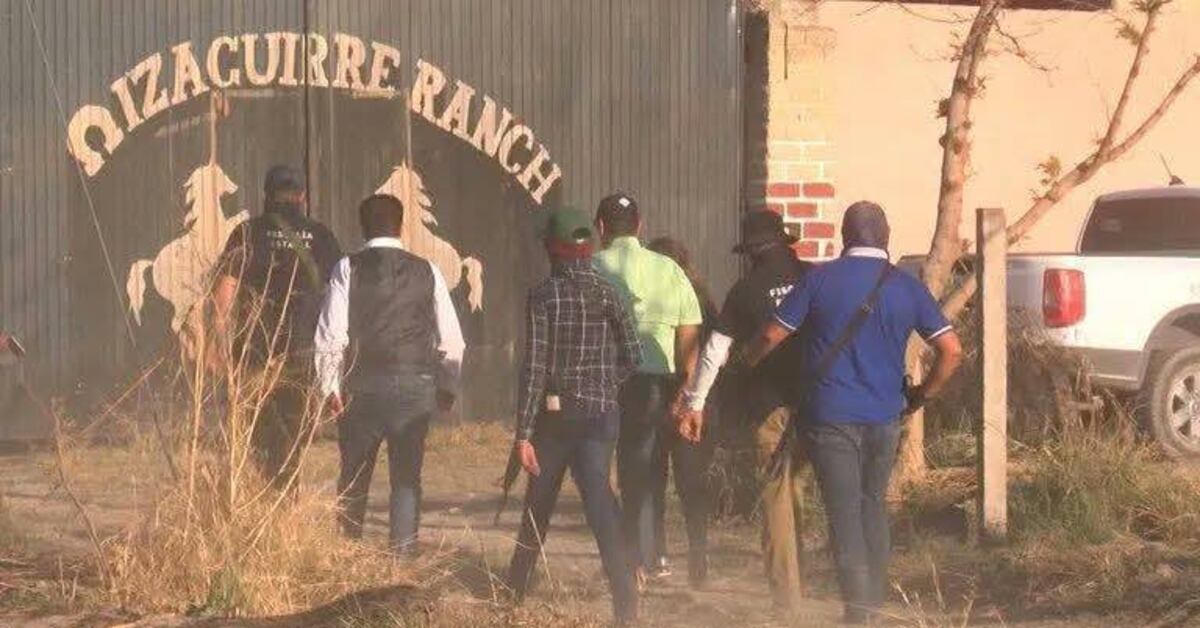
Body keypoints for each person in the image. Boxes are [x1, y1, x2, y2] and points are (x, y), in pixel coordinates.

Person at [741, 201, 964, 624]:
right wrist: (921, 395)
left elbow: (772, 333)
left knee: (844, 512)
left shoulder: (820, 280)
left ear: (845, 236)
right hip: (885, 416)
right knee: (872, 505)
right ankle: (874, 603)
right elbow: (952, 350)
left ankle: (858, 613)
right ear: (886, 236)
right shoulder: (906, 286)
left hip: (830, 416)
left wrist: (747, 361)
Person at [506, 206, 642, 625]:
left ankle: (512, 593)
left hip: (555, 419)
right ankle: (626, 606)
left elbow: (536, 366)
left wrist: (523, 433)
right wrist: (604, 385)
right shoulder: (612, 291)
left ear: (554, 249)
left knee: (539, 505)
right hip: (602, 416)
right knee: (601, 506)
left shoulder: (545, 295)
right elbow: (633, 357)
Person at [673, 209, 814, 611]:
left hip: (769, 407)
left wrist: (694, 403)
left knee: (777, 496)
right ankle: (837, 585)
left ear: (750, 251)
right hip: (818, 402)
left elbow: (714, 353)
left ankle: (787, 599)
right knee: (799, 489)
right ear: (785, 242)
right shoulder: (812, 278)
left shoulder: (745, 290)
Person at [313, 194, 464, 555]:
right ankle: (402, 560)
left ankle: (347, 552)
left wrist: (329, 387)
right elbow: (453, 340)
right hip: (415, 385)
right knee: (407, 478)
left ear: (362, 227)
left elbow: (331, 336)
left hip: (362, 387)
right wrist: (447, 385)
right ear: (402, 224)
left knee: (354, 475)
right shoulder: (428, 270)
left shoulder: (347, 268)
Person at [592, 192, 703, 584]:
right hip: (654, 384)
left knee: (600, 469)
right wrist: (687, 391)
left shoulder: (590, 267)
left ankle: (628, 558)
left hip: (603, 382)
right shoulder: (669, 269)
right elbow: (689, 329)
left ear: (601, 228)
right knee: (647, 470)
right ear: (640, 226)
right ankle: (651, 555)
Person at [213, 164, 342, 494]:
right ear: (302, 197)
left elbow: (223, 295)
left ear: (266, 197)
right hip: (302, 355)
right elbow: (339, 299)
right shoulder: (323, 237)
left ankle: (262, 506)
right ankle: (285, 502)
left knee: (257, 435)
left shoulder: (247, 232)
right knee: (291, 438)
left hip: (254, 353)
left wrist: (217, 344)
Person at [645, 236, 718, 587]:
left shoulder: (651, 299)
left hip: (661, 398)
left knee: (652, 481)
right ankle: (698, 554)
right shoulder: (703, 300)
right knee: (692, 484)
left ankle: (657, 554)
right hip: (695, 402)